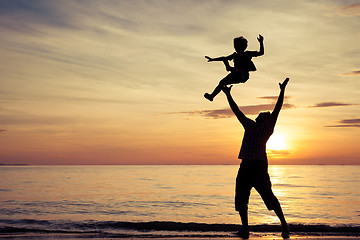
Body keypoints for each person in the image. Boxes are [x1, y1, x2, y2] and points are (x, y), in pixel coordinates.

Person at [222, 78, 290, 239]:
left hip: (258, 168)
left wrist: (282, 91)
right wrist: (227, 94)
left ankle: (284, 226)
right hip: (245, 166)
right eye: (259, 115)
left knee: (269, 197)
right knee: (241, 199)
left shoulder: (267, 128)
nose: (259, 116)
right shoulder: (249, 125)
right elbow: (236, 110)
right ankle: (245, 228)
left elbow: (278, 108)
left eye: (262, 115)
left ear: (266, 119)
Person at [204, 34, 264, 102]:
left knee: (236, 69)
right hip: (235, 74)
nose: (236, 48)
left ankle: (229, 68)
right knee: (222, 82)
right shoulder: (235, 55)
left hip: (243, 74)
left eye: (239, 46)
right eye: (235, 46)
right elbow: (224, 58)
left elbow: (261, 53)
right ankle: (212, 96)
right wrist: (212, 59)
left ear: (244, 46)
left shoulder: (247, 54)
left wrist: (261, 42)